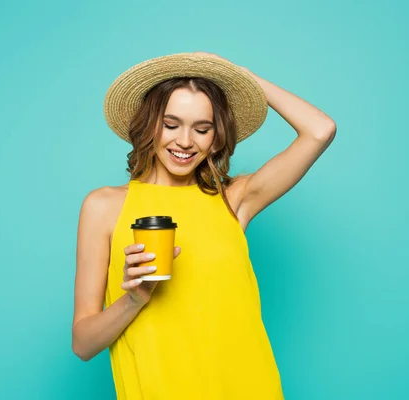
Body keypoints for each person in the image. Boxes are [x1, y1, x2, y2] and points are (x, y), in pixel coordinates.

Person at [71, 52, 336, 399]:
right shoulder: (104, 206)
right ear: (149, 124)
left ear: (216, 135)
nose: (184, 141)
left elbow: (320, 130)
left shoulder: (234, 199)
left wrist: (240, 77)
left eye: (202, 128)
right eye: (170, 124)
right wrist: (133, 299)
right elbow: (83, 344)